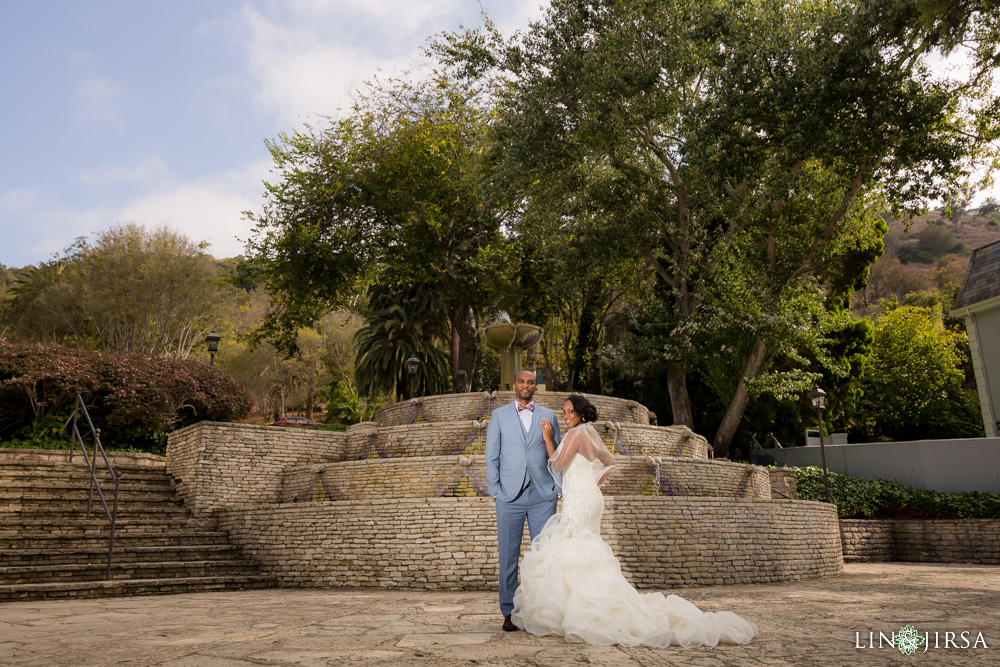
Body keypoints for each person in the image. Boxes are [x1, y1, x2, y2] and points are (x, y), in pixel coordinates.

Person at [510, 394, 759, 648]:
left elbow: (558, 464)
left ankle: (580, 611)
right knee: (584, 549)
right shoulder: (590, 433)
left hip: (579, 500)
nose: (565, 416)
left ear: (581, 413)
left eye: (569, 411)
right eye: (563, 412)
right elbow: (610, 462)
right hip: (590, 498)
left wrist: (546, 438)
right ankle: (584, 605)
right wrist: (591, 486)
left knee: (573, 549)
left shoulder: (575, 435)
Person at [485, 370, 561, 632]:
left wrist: (557, 487)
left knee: (544, 556)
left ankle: (542, 610)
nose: (526, 386)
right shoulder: (499, 415)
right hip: (509, 495)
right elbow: (491, 455)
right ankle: (508, 611)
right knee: (508, 555)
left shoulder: (548, 416)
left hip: (542, 495)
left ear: (534, 388)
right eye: (521, 381)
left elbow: (558, 455)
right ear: (514, 385)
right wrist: (494, 489)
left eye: (530, 382)